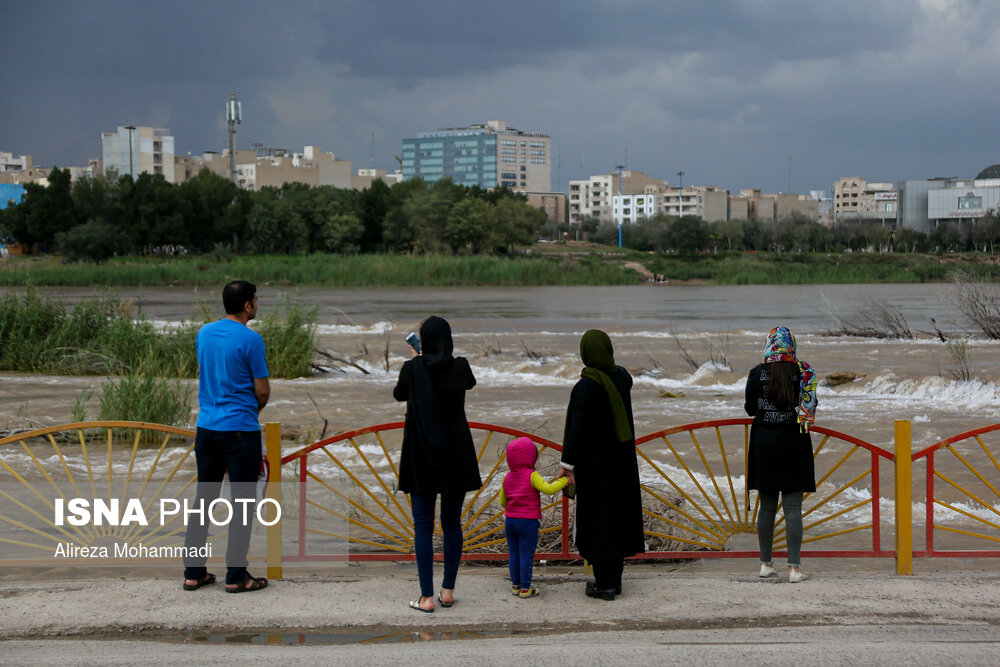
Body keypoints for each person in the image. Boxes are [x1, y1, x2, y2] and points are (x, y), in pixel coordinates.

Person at [182, 280, 270, 593]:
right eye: (256, 301)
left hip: (206, 429)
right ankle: (236, 575)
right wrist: (252, 410)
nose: (257, 305)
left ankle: (193, 572)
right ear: (248, 305)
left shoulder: (204, 332)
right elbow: (262, 390)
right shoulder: (251, 339)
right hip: (239, 431)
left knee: (203, 501)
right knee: (242, 504)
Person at [393, 316, 482, 613]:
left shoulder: (412, 368)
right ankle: (447, 592)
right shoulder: (461, 367)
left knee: (422, 527)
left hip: (421, 456)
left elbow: (399, 394)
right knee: (452, 523)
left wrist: (419, 360)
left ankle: (426, 598)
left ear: (423, 340)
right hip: (456, 455)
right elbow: (468, 383)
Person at [558, 329, 644, 601]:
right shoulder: (622, 378)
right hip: (622, 464)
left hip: (596, 467)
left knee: (599, 522)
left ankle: (604, 585)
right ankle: (614, 581)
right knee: (617, 519)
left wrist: (566, 464)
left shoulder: (586, 386)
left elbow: (577, 430)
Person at [744, 326, 818, 584]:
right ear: (792, 345)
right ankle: (795, 570)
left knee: (766, 506)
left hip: (764, 443)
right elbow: (810, 410)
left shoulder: (756, 373)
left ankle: (765, 564)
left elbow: (750, 409)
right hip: (794, 442)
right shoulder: (805, 371)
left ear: (769, 345)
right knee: (793, 508)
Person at [499, 436, 569, 598]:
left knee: (514, 553)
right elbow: (549, 489)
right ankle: (526, 589)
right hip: (528, 522)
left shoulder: (506, 477)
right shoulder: (532, 475)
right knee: (526, 555)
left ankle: (516, 586)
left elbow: (503, 502)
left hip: (510, 521)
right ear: (531, 457)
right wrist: (564, 480)